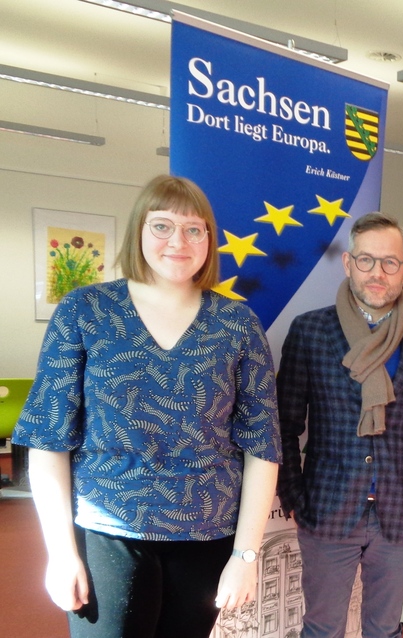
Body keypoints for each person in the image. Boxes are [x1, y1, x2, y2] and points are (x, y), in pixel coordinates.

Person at [13, 174, 283, 638]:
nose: (178, 241)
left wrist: (245, 556)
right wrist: (60, 551)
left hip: (207, 534)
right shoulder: (86, 311)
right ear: (139, 231)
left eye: (194, 229)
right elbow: (47, 439)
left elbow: (263, 445)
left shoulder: (237, 323)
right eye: (162, 226)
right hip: (107, 530)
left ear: (208, 241)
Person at [276, 212, 403, 638]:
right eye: (367, 260)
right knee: (321, 628)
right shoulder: (311, 331)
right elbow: (283, 424)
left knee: (385, 628)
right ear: (349, 263)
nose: (378, 272)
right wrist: (295, 494)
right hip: (326, 509)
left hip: (401, 511)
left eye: (390, 262)